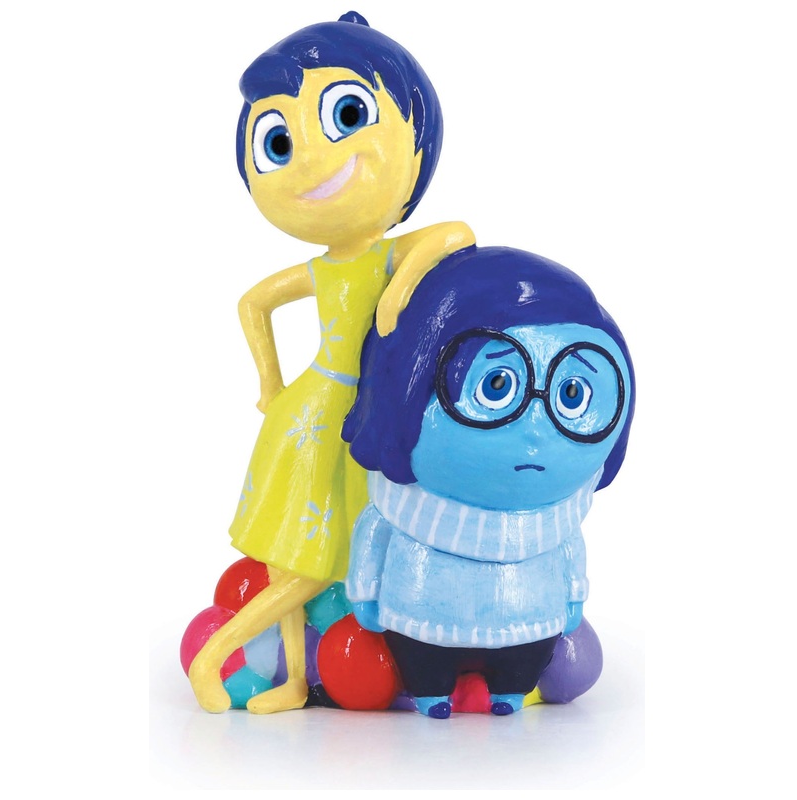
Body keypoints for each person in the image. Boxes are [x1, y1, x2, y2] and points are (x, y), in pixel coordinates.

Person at [188, 11, 474, 714]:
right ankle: (227, 664)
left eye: (345, 115)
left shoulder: (381, 255)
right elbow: (252, 303)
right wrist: (270, 384)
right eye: (280, 142)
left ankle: (295, 677)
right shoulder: (325, 269)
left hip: (350, 417)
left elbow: (456, 234)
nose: (309, 159)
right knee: (303, 562)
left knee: (314, 554)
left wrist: (401, 286)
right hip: (315, 419)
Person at [342, 245, 635, 718]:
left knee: (523, 659)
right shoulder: (401, 511)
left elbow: (570, 554)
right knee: (423, 656)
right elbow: (373, 537)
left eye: (572, 394)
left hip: (530, 619)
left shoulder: (557, 522)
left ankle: (511, 690)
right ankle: (430, 692)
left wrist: (573, 598)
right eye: (497, 386)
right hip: (420, 614)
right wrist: (365, 593)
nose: (536, 427)